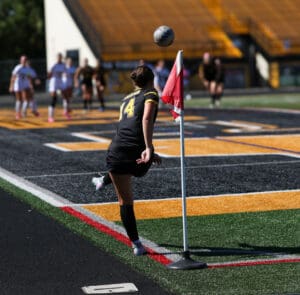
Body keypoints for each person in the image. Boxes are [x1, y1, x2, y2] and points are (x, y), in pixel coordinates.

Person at [101, 65, 159, 256]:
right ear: (151, 79)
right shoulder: (151, 92)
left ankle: (136, 245)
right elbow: (146, 118)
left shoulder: (126, 98)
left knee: (125, 201)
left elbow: (123, 126)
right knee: (139, 170)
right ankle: (105, 179)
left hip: (116, 150)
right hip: (132, 151)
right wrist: (148, 147)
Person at [9, 55, 31, 119]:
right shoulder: (18, 67)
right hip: (18, 84)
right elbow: (13, 77)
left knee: (26, 99)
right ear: (20, 61)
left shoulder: (27, 68)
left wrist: (30, 84)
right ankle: (18, 113)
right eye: (22, 60)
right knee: (19, 100)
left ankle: (24, 112)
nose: (24, 61)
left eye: (25, 60)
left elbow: (29, 76)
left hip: (25, 84)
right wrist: (11, 86)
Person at [47, 53, 66, 122]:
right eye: (58, 57)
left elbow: (65, 72)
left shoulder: (63, 65)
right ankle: (50, 116)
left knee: (66, 95)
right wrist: (50, 79)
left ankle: (66, 110)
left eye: (60, 57)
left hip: (60, 81)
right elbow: (49, 74)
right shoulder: (54, 65)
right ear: (56, 58)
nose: (59, 58)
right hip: (54, 81)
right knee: (54, 98)